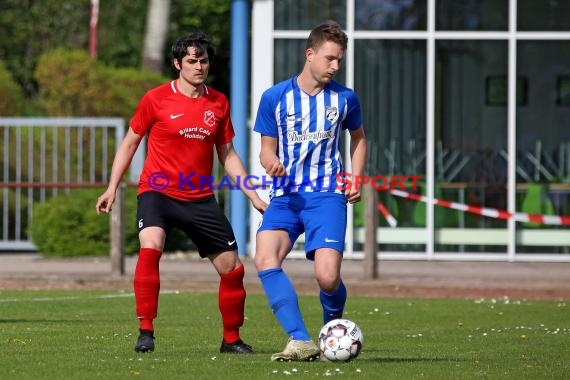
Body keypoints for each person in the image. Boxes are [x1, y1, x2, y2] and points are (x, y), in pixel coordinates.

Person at [96, 32, 266, 354]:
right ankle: (146, 330)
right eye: (192, 61)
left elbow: (227, 154)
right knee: (152, 247)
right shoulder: (155, 99)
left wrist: (253, 195)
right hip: (157, 191)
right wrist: (112, 187)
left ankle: (231, 339)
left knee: (233, 267)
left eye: (203, 60)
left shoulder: (218, 102)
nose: (199, 66)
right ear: (177, 63)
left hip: (200, 197)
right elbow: (130, 143)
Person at [252, 21, 367, 361]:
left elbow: (359, 138)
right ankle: (300, 339)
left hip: (327, 195)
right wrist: (271, 161)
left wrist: (356, 178)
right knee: (264, 256)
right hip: (286, 197)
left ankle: (332, 331)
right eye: (330, 58)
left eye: (339, 61)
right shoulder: (275, 97)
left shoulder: (345, 98)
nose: (335, 66)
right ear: (310, 54)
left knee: (327, 277)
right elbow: (265, 148)